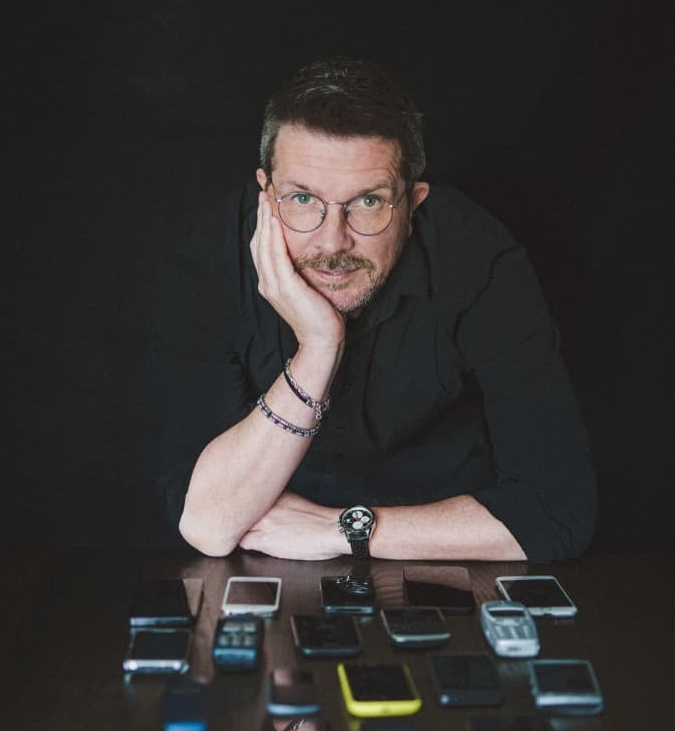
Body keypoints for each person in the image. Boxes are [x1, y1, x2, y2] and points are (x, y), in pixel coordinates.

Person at [153, 57, 596, 562]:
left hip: (442, 571)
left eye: (368, 203)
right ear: (266, 196)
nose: (332, 240)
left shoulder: (477, 257)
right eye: (302, 198)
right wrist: (319, 346)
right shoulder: (210, 262)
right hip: (266, 566)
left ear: (414, 203)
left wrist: (344, 530)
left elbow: (558, 511)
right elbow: (208, 523)